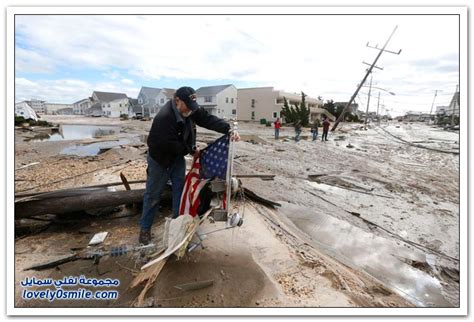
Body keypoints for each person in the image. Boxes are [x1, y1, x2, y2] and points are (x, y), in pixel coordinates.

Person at [139, 86, 240, 245]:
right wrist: (191, 149)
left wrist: (227, 129)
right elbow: (168, 145)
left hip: (177, 158)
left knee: (180, 192)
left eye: (192, 107)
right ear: (177, 100)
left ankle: (177, 224)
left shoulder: (189, 109)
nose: (190, 111)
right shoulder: (163, 118)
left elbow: (207, 119)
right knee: (153, 195)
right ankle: (144, 229)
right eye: (187, 106)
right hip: (160, 160)